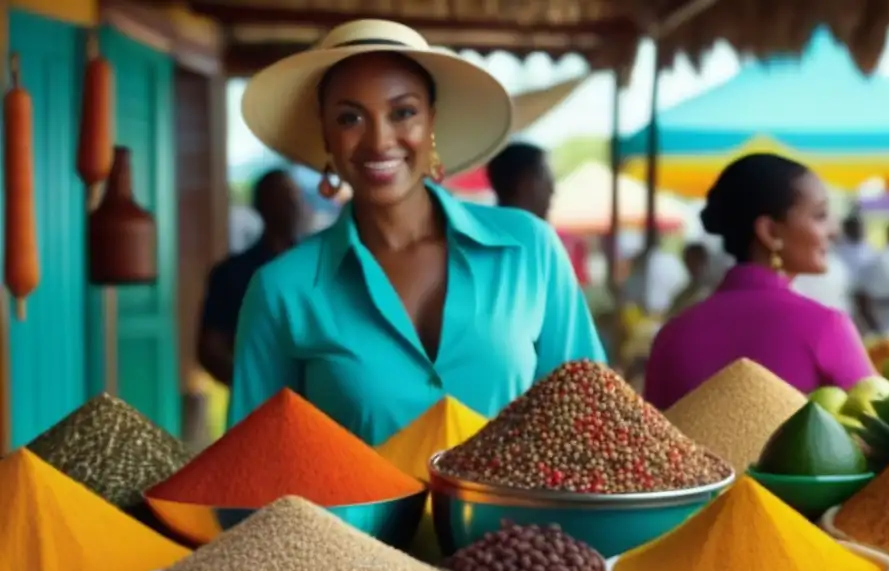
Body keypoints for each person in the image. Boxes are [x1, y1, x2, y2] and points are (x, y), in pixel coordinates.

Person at [229, 20, 605, 445]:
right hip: (343, 517)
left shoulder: (528, 249)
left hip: (525, 515)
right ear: (326, 135)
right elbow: (252, 473)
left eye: (403, 112)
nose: (379, 140)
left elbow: (590, 422)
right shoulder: (282, 291)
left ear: (432, 123)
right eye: (350, 118)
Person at [644, 153, 874, 408]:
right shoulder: (826, 328)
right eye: (820, 216)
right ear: (770, 232)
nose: (834, 231)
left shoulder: (671, 336)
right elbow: (879, 437)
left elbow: (651, 442)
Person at [198, 169, 304, 386]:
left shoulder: (318, 268)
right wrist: (253, 384)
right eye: (281, 196)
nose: (292, 204)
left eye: (294, 196)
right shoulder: (232, 273)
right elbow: (210, 348)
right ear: (261, 206)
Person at [487, 141, 590, 285]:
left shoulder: (479, 240)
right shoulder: (537, 243)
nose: (552, 190)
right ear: (526, 183)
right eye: (546, 179)